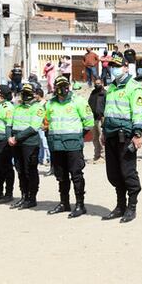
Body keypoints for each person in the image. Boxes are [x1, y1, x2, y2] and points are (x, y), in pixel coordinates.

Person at [102, 55, 142, 223]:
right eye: (111, 65)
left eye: (117, 66)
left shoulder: (134, 87)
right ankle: (120, 206)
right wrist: (103, 132)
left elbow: (139, 112)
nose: (113, 68)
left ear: (126, 67)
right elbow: (108, 111)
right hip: (111, 134)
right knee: (113, 174)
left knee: (128, 173)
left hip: (126, 135)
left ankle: (131, 207)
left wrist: (137, 134)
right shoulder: (111, 88)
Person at [45, 76, 94, 218]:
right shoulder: (50, 104)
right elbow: (45, 121)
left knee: (76, 174)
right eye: (59, 86)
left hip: (73, 145)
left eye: (65, 86)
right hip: (56, 145)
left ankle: (80, 205)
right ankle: (64, 203)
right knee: (60, 176)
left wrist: (78, 136)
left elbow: (89, 122)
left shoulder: (78, 101)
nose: (62, 89)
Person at [8, 83, 45, 209]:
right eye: (24, 93)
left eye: (28, 93)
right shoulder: (17, 107)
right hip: (17, 144)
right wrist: (10, 137)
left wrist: (15, 138)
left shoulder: (38, 108)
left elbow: (33, 127)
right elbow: (11, 124)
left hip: (30, 144)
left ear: (33, 94)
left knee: (30, 171)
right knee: (20, 171)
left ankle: (32, 198)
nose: (25, 95)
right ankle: (24, 196)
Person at [89, 78, 107, 163]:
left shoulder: (105, 94)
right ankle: (96, 155)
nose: (97, 85)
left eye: (99, 83)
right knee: (95, 138)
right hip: (93, 118)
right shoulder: (93, 93)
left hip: (101, 118)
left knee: (101, 138)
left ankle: (103, 156)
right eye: (96, 83)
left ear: (102, 83)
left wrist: (104, 117)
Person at [34, 88, 50, 170]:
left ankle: (48, 158)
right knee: (40, 142)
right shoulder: (38, 103)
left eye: (35, 94)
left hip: (43, 125)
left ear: (38, 95)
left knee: (44, 142)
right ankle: (41, 158)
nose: (34, 96)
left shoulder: (45, 104)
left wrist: (45, 125)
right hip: (39, 125)